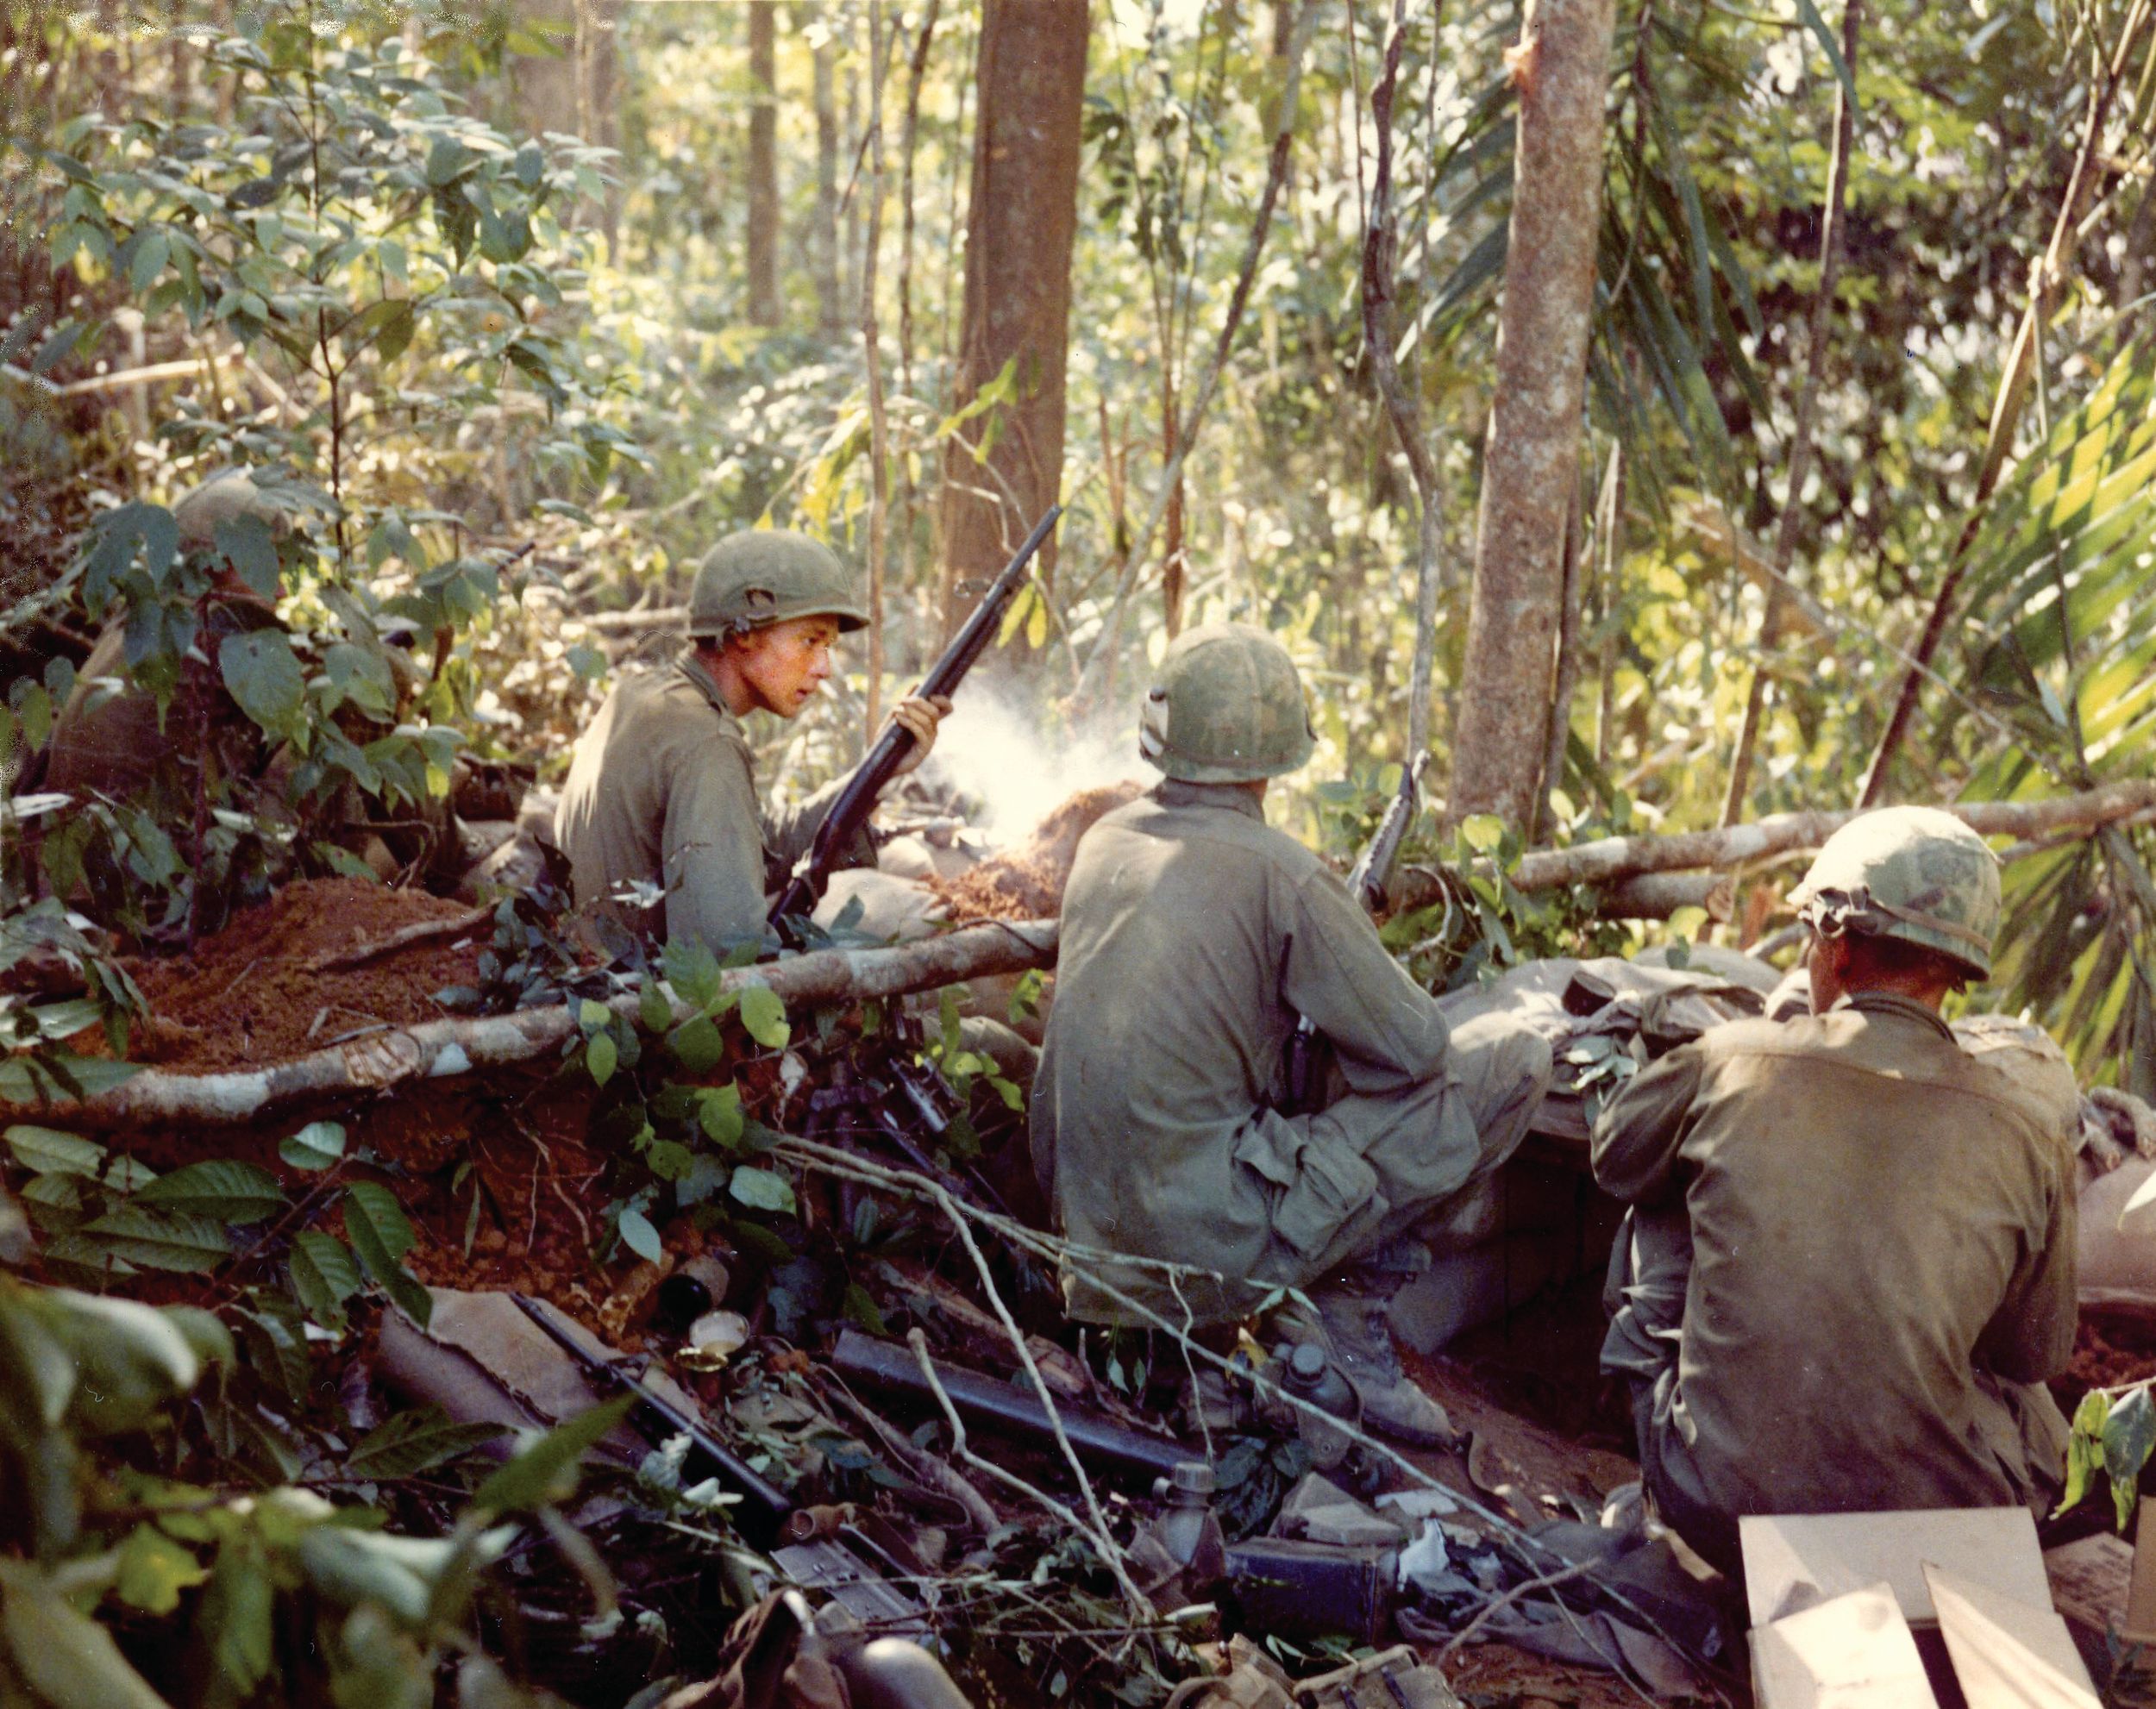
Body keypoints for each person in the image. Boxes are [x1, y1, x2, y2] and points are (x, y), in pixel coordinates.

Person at [1030, 622, 1553, 1443]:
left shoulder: (1104, 842)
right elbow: (1417, 1050)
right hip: (1202, 1251)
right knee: (1515, 1061)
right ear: (1275, 759)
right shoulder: (1283, 873)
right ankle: (1346, 1322)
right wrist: (1338, 928)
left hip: (1088, 1241)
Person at [1592, 806, 2077, 1573]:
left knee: (1661, 1191)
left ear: (1838, 947)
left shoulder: (1731, 1059)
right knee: (2036, 1415)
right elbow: (2033, 1351)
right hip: (1926, 1532)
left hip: (1719, 1509)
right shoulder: (2028, 1124)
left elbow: (1616, 1159)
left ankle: (1668, 1485)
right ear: (1956, 970)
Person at [556, 529, 949, 950]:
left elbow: (764, 844)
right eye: (810, 641)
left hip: (599, 985)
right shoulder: (707, 744)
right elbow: (729, 955)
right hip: (642, 1004)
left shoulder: (644, 696)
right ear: (743, 634)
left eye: (829, 645)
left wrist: (882, 769)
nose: (825, 667)